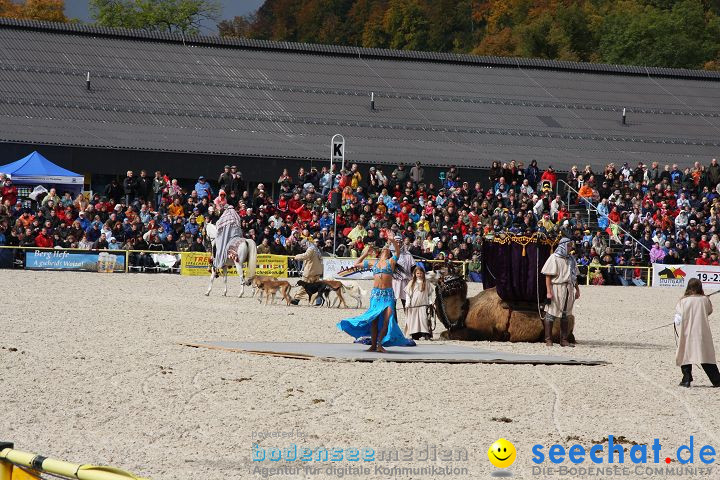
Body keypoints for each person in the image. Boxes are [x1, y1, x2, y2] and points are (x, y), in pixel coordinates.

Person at [337, 230, 411, 352]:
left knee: (387, 320)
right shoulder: (373, 263)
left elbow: (397, 252)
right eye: (384, 249)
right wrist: (365, 253)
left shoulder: (391, 262)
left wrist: (392, 240)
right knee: (374, 321)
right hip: (376, 295)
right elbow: (356, 263)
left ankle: (380, 344)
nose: (386, 249)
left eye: (388, 249)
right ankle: (373, 345)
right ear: (381, 252)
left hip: (387, 295)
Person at [674, 278, 720, 387]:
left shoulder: (683, 301)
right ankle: (717, 380)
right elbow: (709, 311)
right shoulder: (705, 300)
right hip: (701, 331)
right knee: (706, 355)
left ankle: (686, 379)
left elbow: (679, 315)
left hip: (687, 330)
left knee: (685, 353)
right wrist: (705, 299)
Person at [541, 237, 580, 347]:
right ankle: (548, 339)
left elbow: (574, 276)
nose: (570, 248)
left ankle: (564, 340)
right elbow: (548, 276)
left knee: (566, 315)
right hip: (557, 287)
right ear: (563, 246)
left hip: (569, 288)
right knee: (551, 313)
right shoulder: (554, 258)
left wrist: (577, 290)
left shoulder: (571, 259)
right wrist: (549, 292)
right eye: (568, 245)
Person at [290, 238, 324, 305]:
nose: (303, 247)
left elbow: (305, 256)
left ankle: (297, 299)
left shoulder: (311, 249)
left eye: (303, 245)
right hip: (317, 271)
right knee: (317, 287)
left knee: (305, 285)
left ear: (306, 243)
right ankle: (318, 300)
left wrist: (296, 257)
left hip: (310, 271)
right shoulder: (316, 249)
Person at [404, 265, 434, 340]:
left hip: (423, 305)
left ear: (423, 273)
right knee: (414, 320)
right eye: (418, 273)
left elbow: (429, 294)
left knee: (424, 319)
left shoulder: (426, 282)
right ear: (415, 274)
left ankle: (426, 333)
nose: (419, 275)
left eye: (421, 273)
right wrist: (407, 303)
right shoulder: (412, 283)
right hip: (413, 305)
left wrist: (430, 302)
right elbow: (408, 294)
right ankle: (415, 334)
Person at [391, 235, 415, 310]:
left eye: (399, 242)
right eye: (396, 242)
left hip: (405, 281)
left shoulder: (408, 254)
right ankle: (393, 321)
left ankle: (409, 320)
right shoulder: (389, 254)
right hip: (393, 282)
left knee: (406, 303)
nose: (398, 244)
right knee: (392, 304)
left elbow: (413, 267)